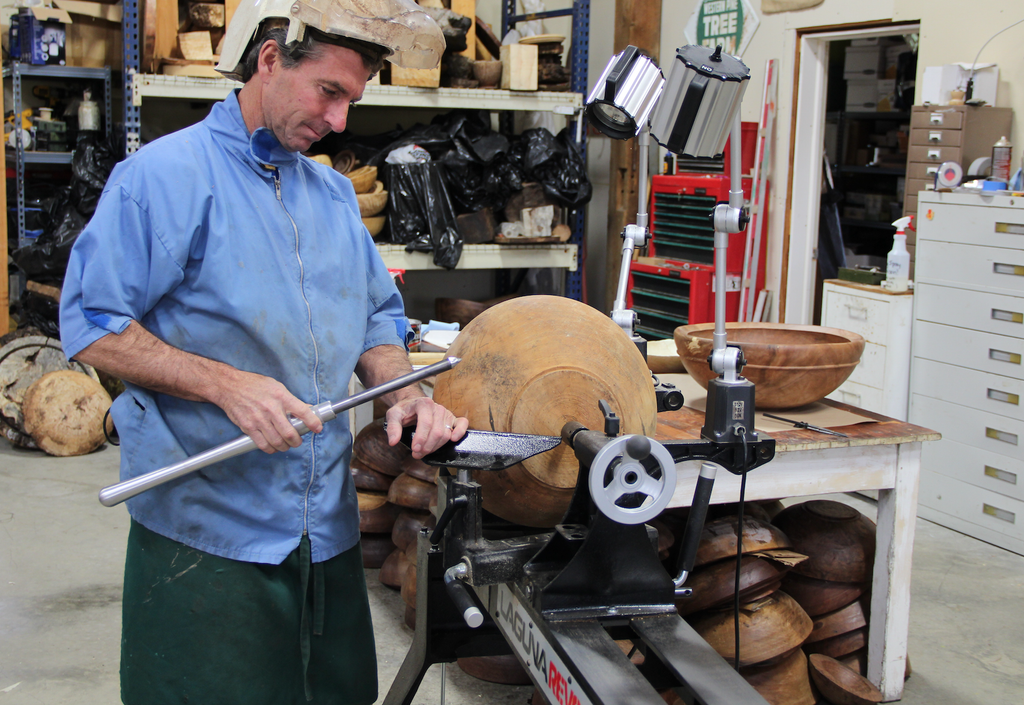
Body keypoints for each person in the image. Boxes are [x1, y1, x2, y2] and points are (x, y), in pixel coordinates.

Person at [58, 1, 461, 703]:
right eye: (328, 92)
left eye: (351, 101)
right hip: (207, 529)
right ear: (270, 61)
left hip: (323, 528)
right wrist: (226, 385)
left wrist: (405, 395)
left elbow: (376, 318)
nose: (339, 121)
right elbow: (93, 322)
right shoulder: (164, 178)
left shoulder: (333, 197)